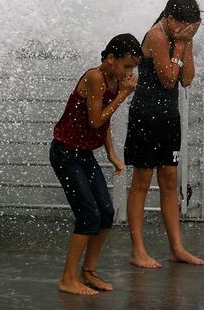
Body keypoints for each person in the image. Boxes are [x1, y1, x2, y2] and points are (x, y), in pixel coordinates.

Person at [50, 33, 143, 295]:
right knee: (88, 214)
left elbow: (105, 121)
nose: (129, 72)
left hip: (84, 154)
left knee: (106, 211)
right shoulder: (95, 77)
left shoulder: (113, 80)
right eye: (126, 66)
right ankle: (67, 278)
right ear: (111, 59)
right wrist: (123, 95)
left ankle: (88, 272)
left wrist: (111, 152)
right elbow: (95, 121)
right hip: (65, 154)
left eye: (133, 68)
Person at [124, 0, 204, 268]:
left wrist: (186, 43)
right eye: (184, 25)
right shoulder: (157, 36)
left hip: (169, 117)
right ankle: (137, 250)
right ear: (169, 19)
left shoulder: (183, 38)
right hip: (146, 116)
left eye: (192, 26)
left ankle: (176, 248)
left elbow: (188, 79)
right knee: (142, 182)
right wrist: (181, 46)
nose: (188, 29)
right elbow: (169, 80)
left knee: (170, 181)